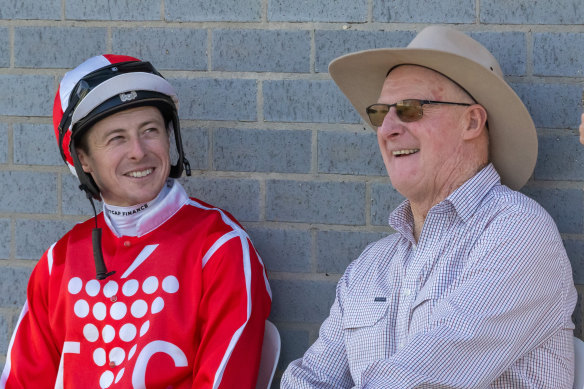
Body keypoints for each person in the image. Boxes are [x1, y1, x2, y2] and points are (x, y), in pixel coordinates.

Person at [282, 26, 577, 388]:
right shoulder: (371, 265)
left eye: (410, 109)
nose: (386, 128)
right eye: (379, 113)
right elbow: (310, 378)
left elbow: (420, 380)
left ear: (471, 121)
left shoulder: (518, 232)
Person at [1, 54, 271, 388]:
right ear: (83, 159)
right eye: (116, 138)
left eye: (150, 131)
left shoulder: (219, 247)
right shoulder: (60, 261)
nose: (138, 152)